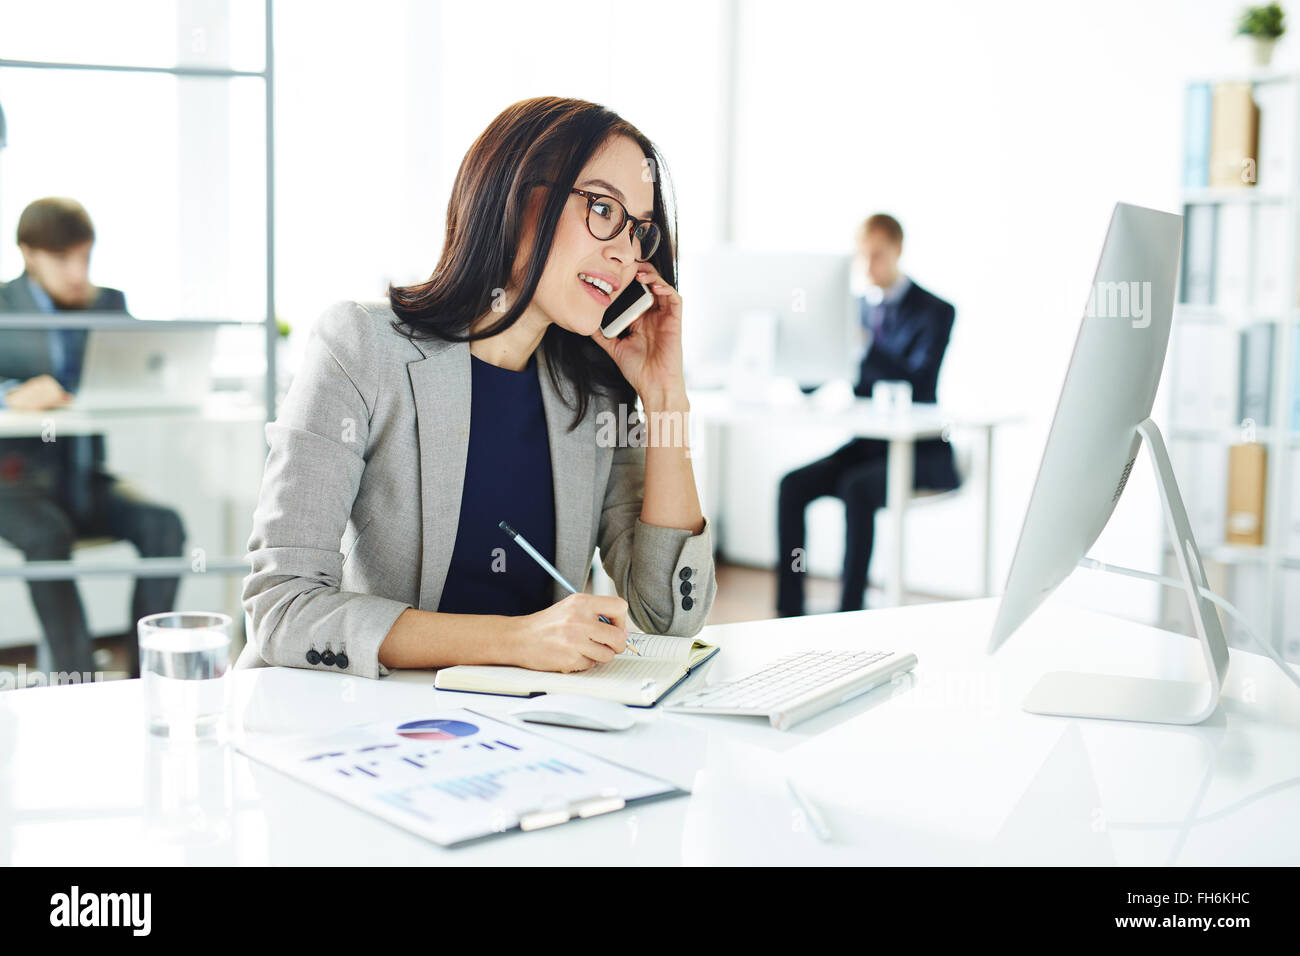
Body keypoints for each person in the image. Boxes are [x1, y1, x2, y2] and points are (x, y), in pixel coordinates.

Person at [242, 96, 716, 679]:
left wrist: (665, 394)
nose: (624, 250)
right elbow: (283, 607)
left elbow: (668, 615)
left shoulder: (596, 391)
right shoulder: (361, 347)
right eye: (601, 207)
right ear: (515, 199)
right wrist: (515, 640)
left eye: (640, 228)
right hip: (356, 720)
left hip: (524, 730)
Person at [0, 197, 186, 679]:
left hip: (81, 479)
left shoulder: (109, 304)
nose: (77, 272)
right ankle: (76, 679)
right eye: (63, 260)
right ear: (29, 254)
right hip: (13, 487)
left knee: (164, 526)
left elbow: (143, 373)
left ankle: (146, 676)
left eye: (85, 257)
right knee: (47, 535)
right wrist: (10, 394)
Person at [776, 213, 958, 616]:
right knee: (792, 485)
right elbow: (811, 384)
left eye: (877, 255)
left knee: (858, 488)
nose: (868, 266)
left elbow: (918, 381)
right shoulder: (854, 309)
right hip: (869, 447)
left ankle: (849, 611)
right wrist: (806, 339)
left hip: (924, 451)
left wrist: (863, 345)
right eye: (863, 256)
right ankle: (788, 612)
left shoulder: (935, 311)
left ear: (898, 250)